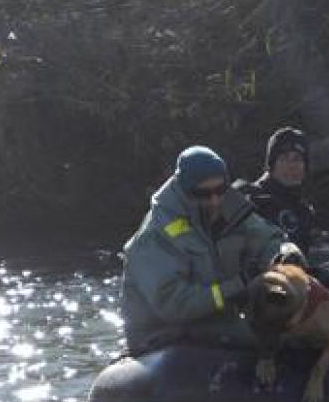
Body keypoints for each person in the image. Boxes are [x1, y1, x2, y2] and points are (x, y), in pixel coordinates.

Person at [119, 145, 300, 353]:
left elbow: (265, 236)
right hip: (162, 333)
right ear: (186, 191)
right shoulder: (155, 235)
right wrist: (238, 286)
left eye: (220, 190)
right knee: (267, 340)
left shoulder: (227, 203)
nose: (214, 200)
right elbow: (174, 304)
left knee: (294, 330)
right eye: (203, 193)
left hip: (213, 319)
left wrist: (285, 254)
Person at [236, 126, 316, 252]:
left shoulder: (303, 211)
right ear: (271, 164)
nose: (292, 166)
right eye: (284, 158)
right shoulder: (246, 198)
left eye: (297, 159)